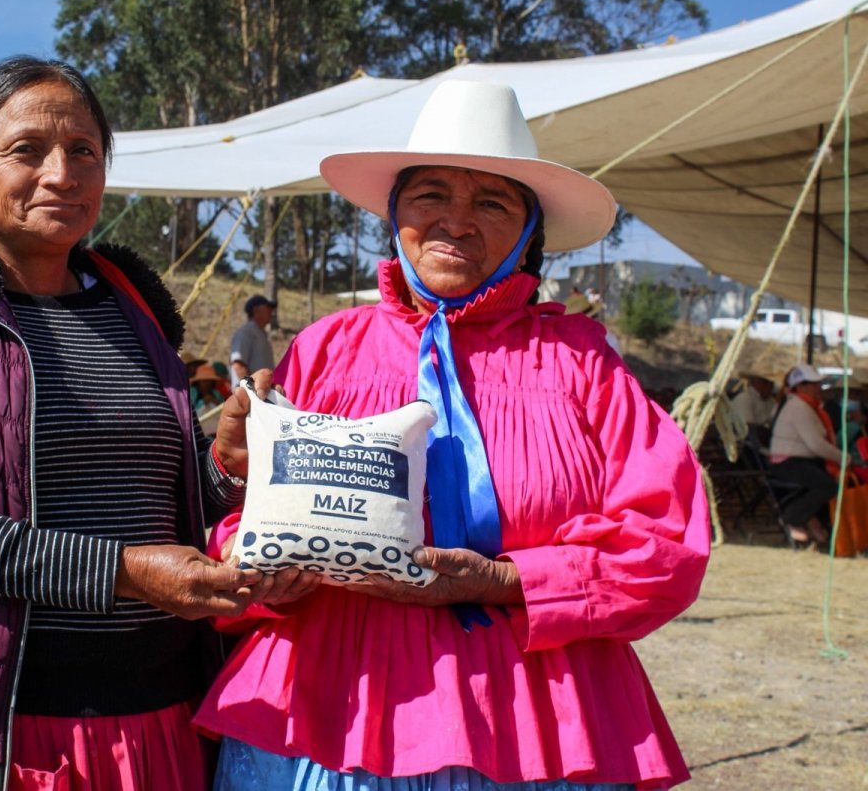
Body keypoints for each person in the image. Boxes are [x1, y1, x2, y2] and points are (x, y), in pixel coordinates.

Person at [196, 80, 711, 790]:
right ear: (395, 217)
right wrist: (263, 573)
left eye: (492, 203)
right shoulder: (325, 349)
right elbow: (250, 521)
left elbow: (665, 542)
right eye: (430, 195)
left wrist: (507, 581)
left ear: (529, 236)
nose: (456, 221)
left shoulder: (582, 363)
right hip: (329, 708)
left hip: (536, 720)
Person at [0, 56, 268, 791]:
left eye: (84, 151)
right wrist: (128, 574)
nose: (61, 174)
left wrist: (223, 467)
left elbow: (158, 500)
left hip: (160, 714)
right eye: (27, 150)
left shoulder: (133, 308)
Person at [768, 364, 857, 547]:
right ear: (801, 387)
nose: (818, 388)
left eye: (817, 384)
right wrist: (844, 458)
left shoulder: (806, 406)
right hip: (788, 463)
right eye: (813, 384)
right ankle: (791, 517)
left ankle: (815, 522)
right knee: (827, 485)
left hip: (799, 460)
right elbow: (816, 444)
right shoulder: (799, 407)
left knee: (827, 481)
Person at [230, 294, 276, 383]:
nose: (272, 312)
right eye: (268, 307)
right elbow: (238, 365)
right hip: (247, 391)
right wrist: (251, 388)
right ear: (256, 310)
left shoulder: (260, 333)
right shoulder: (245, 332)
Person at [731, 371, 777, 447]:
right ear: (756, 383)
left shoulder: (771, 402)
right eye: (767, 382)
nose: (771, 386)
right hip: (746, 445)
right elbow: (748, 429)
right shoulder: (744, 399)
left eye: (771, 383)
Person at [190, 363, 228, 436]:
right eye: (204, 381)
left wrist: (216, 403)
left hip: (216, 432)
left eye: (209, 381)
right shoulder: (192, 393)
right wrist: (202, 402)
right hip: (197, 432)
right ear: (198, 382)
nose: (207, 384)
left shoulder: (216, 393)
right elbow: (189, 411)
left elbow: (224, 409)